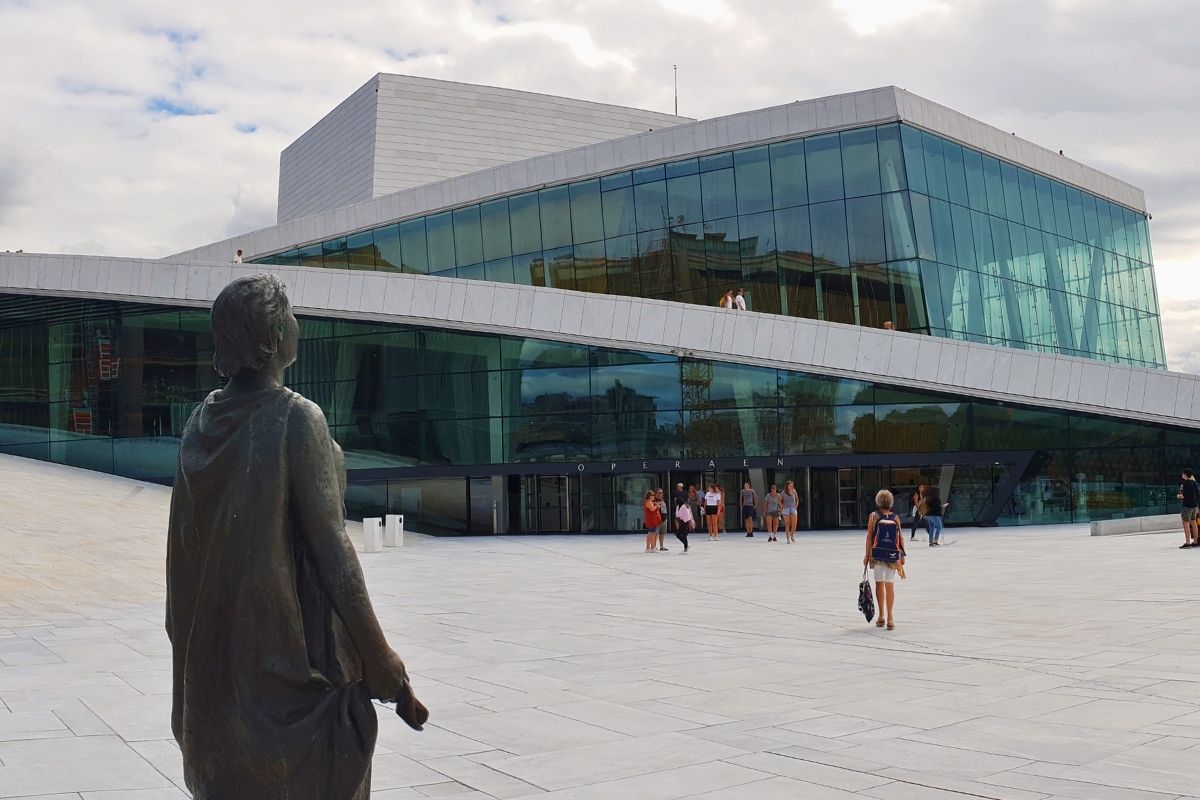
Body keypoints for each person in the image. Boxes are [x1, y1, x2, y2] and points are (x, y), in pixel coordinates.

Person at [166, 274, 427, 799]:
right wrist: (379, 657)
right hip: (290, 673)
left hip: (219, 674)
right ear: (270, 335)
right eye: (288, 315)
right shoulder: (295, 417)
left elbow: (186, 551)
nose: (297, 325)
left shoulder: (201, 421)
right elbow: (332, 549)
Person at [863, 489, 906, 630]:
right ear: (891, 502)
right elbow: (900, 537)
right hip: (892, 555)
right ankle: (891, 618)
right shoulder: (895, 517)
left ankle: (881, 616)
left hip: (877, 555)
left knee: (879, 583)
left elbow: (870, 536)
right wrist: (902, 555)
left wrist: (867, 555)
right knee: (890, 584)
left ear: (878, 501)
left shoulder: (873, 516)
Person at [1178, 469, 1200, 548]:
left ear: (1185, 475)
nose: (1182, 475)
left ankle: (1188, 542)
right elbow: (1197, 495)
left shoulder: (1185, 484)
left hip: (1187, 506)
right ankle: (1195, 541)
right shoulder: (1195, 483)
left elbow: (1185, 495)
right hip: (1194, 506)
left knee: (1186, 523)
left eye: (1183, 473)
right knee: (1194, 523)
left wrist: (1179, 496)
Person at [654, 488, 669, 552]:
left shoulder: (663, 501)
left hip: (664, 519)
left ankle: (661, 546)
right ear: (655, 494)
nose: (660, 494)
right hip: (657, 520)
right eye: (659, 493)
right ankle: (654, 546)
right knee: (655, 534)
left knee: (662, 533)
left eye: (661, 493)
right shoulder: (653, 501)